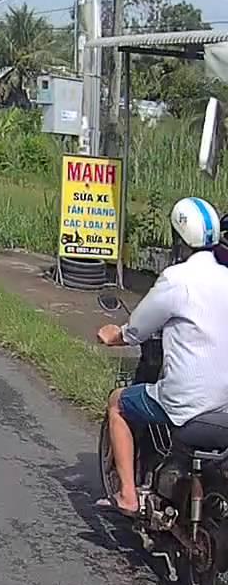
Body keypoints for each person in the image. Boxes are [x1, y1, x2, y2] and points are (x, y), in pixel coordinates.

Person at [96, 197, 228, 515]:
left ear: (178, 238)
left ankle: (128, 495)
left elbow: (137, 328)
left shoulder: (177, 279)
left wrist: (115, 335)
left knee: (117, 403)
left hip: (185, 400)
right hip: (224, 402)